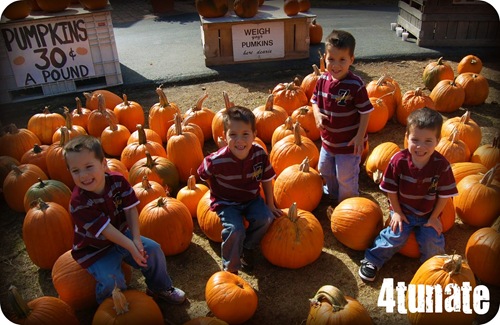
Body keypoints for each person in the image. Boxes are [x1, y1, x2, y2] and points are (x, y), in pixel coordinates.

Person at [63, 135, 186, 304]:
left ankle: (160, 288)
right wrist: (131, 246)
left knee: (153, 250)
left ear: (104, 164)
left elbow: (130, 210)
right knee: (112, 280)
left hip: (122, 235)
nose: (83, 175)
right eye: (75, 170)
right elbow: (106, 230)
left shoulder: (117, 182)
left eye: (89, 167)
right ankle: (112, 307)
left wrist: (136, 240)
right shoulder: (79, 202)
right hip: (95, 250)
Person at [359, 107, 458, 282]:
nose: (420, 146)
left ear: (438, 141)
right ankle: (372, 260)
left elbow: (444, 195)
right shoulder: (398, 161)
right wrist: (396, 212)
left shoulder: (441, 165)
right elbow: (391, 189)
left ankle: (435, 272)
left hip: (428, 214)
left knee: (432, 242)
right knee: (394, 236)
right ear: (407, 137)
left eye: (428, 140)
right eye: (415, 140)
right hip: (403, 210)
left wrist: (435, 217)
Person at [197, 106, 282, 274]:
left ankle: (248, 247)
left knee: (265, 218)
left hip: (252, 199)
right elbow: (203, 174)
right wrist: (214, 190)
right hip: (226, 202)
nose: (240, 140)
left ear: (254, 135)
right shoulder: (215, 160)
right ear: (224, 136)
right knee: (235, 229)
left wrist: (270, 205)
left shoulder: (260, 154)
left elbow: (266, 179)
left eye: (245, 134)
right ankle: (231, 269)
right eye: (233, 135)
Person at [311, 29, 373, 204]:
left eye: (342, 60)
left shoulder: (355, 84)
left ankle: (347, 202)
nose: (335, 65)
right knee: (324, 169)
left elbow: (366, 111)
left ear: (351, 60)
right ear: (324, 57)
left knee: (345, 175)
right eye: (331, 59)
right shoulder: (322, 80)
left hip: (349, 144)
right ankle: (332, 193)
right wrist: (317, 115)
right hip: (328, 142)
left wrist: (360, 136)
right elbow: (314, 100)